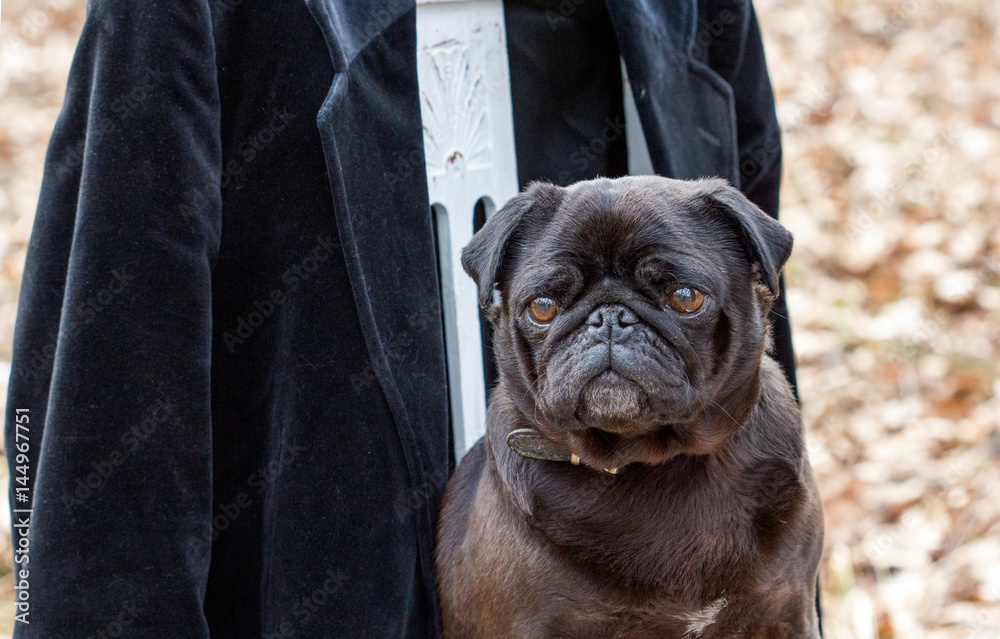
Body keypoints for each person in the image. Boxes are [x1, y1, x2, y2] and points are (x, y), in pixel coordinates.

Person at [4, 0, 802, 637]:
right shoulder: (185, 17)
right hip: (319, 573)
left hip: (674, 545)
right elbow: (108, 368)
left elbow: (749, 288)